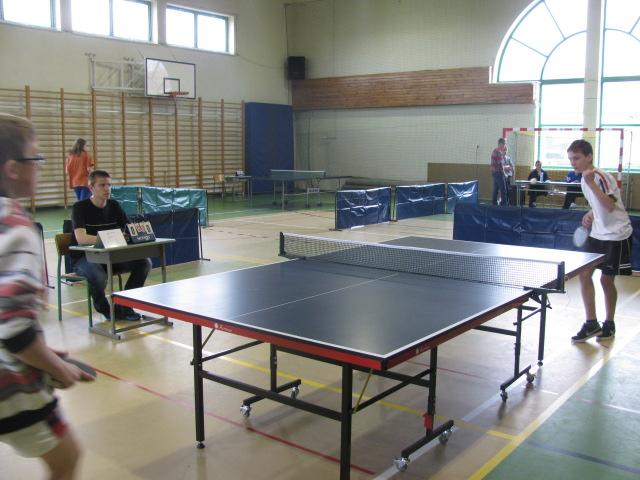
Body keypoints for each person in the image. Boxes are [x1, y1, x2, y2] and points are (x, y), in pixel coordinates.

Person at [0, 113, 93, 479]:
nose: (40, 166)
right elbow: (14, 331)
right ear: (12, 168)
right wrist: (56, 368)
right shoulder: (17, 228)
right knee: (66, 457)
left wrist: (42, 349)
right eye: (35, 158)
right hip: (9, 384)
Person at [567, 139, 632, 343]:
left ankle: (609, 324)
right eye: (570, 159)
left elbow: (610, 206)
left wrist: (592, 184)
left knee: (606, 280)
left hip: (616, 234)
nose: (573, 163)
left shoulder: (601, 177)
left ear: (589, 157)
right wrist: (591, 213)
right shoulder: (583, 180)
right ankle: (591, 323)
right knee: (584, 274)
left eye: (577, 158)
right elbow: (599, 205)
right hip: (597, 234)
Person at [70, 170, 151, 321]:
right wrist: (109, 238)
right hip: (85, 258)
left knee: (144, 263)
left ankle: (125, 306)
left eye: (109, 185)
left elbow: (129, 229)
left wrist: (132, 234)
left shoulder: (114, 205)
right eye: (102, 185)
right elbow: (81, 239)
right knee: (99, 276)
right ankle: (105, 309)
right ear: (91, 188)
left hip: (111, 256)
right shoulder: (79, 207)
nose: (107, 188)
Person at [491, 138, 508, 206]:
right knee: (503, 190)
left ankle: (494, 204)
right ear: (501, 144)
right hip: (498, 173)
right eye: (504, 144)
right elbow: (500, 165)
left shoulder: (495, 151)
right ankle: (504, 206)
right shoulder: (498, 152)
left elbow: (500, 164)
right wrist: (504, 173)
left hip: (494, 172)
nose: (505, 146)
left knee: (495, 189)